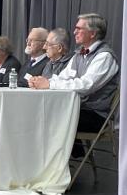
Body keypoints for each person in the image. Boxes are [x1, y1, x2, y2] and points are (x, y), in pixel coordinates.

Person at [29, 13, 119, 155]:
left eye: (79, 28)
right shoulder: (79, 55)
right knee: (38, 112)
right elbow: (63, 78)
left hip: (95, 115)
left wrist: (49, 85)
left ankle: (57, 163)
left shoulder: (104, 56)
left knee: (46, 116)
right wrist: (44, 82)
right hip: (78, 109)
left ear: (93, 33)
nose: (74, 32)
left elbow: (86, 85)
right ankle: (58, 161)